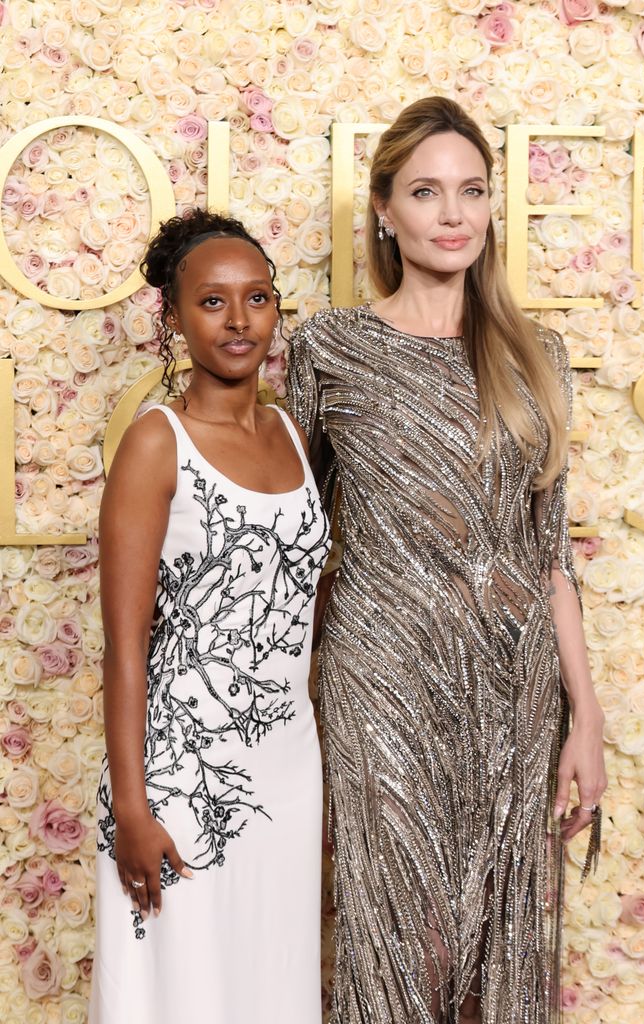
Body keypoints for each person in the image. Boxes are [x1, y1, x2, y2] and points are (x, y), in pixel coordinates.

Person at [288, 97, 607, 1024]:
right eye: (427, 192)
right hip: (379, 677)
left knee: (494, 946)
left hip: (512, 689)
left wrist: (584, 717)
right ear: (384, 210)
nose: (454, 213)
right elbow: (295, 538)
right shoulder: (329, 346)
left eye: (472, 190)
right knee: (399, 936)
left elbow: (551, 559)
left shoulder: (533, 355)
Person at [90, 210, 330, 1024]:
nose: (239, 321)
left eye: (257, 298)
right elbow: (126, 648)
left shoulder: (294, 436)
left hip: (289, 774)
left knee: (271, 986)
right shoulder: (159, 442)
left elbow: (306, 610)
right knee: (180, 997)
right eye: (212, 302)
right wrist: (132, 806)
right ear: (173, 317)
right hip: (179, 780)